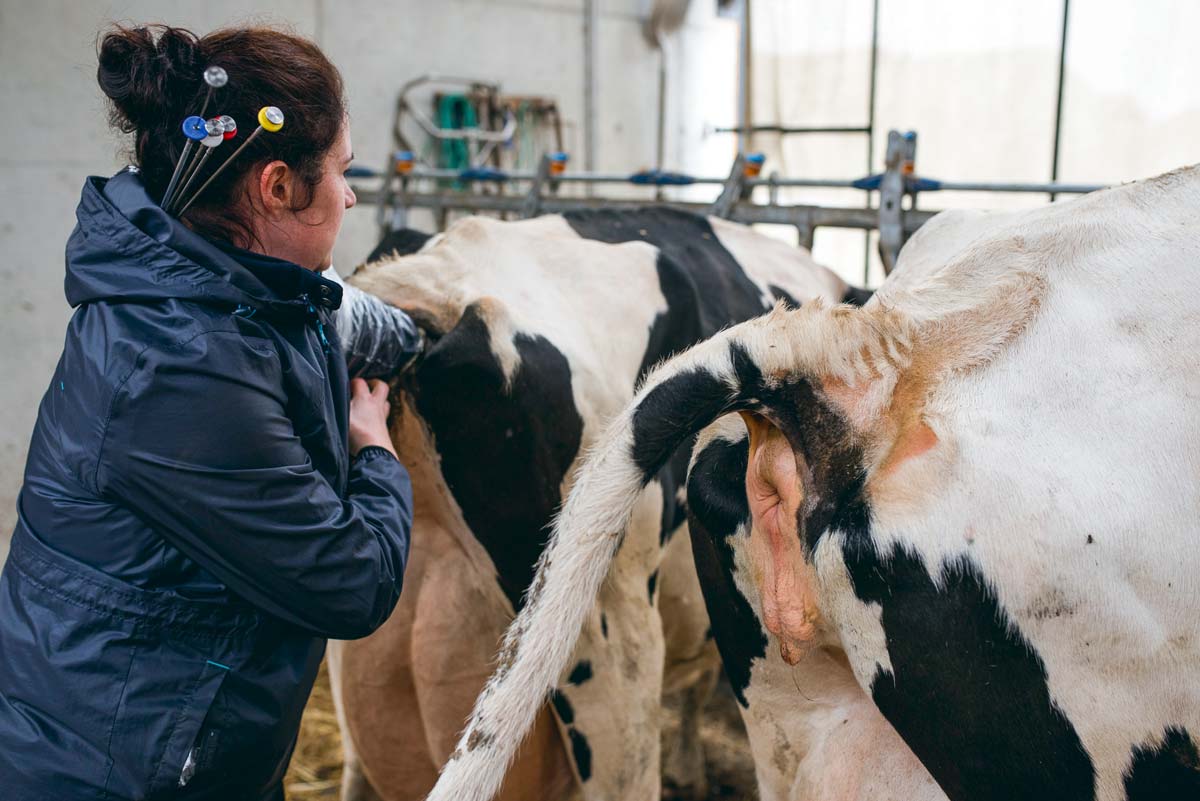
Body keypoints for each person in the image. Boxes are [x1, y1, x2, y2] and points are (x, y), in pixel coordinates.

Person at [0, 24, 422, 801]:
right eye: (342, 170)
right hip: (115, 770)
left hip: (153, 732)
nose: (352, 193)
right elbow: (350, 582)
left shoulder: (185, 277)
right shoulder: (180, 366)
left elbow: (315, 318)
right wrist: (375, 451)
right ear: (275, 187)